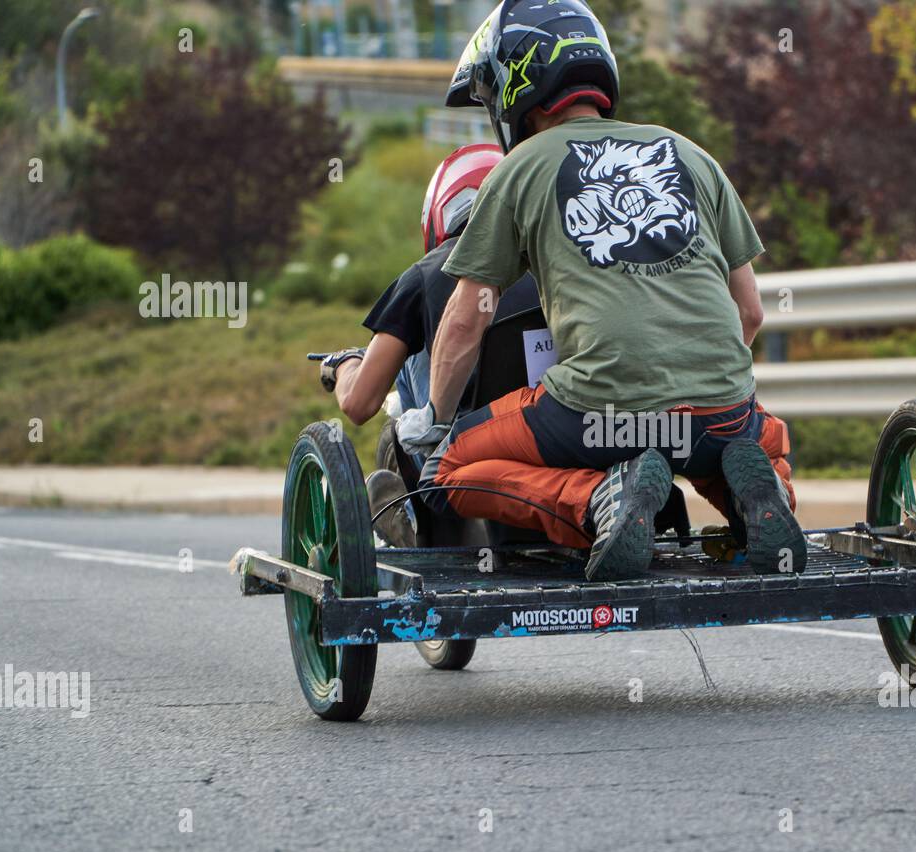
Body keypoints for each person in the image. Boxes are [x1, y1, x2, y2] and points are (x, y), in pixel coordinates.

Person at [410, 0, 806, 581]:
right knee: (749, 437)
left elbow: (466, 321)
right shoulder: (692, 154)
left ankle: (596, 501)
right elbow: (749, 312)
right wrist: (692, 391)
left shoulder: (517, 168)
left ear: (517, 84)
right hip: (723, 413)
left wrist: (437, 418)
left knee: (446, 472)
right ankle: (760, 495)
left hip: (600, 417)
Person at [315, 143, 540, 545]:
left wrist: (347, 363)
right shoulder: (553, 263)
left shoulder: (426, 273)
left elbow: (360, 404)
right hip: (554, 441)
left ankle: (415, 518)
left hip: (462, 457)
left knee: (406, 352)